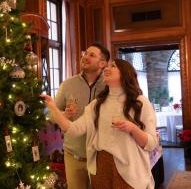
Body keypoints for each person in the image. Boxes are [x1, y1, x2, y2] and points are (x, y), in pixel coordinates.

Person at [42, 59, 158, 189]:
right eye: (107, 66)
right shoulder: (97, 104)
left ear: (126, 73)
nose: (107, 69)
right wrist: (53, 108)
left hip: (131, 170)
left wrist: (133, 129)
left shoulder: (140, 103)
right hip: (101, 167)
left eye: (113, 66)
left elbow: (151, 143)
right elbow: (73, 129)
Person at [53, 43, 110, 189]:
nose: (85, 57)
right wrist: (63, 115)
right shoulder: (67, 84)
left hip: (102, 157)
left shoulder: (110, 85)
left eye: (92, 55)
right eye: (85, 53)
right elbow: (51, 113)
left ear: (102, 63)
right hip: (73, 156)